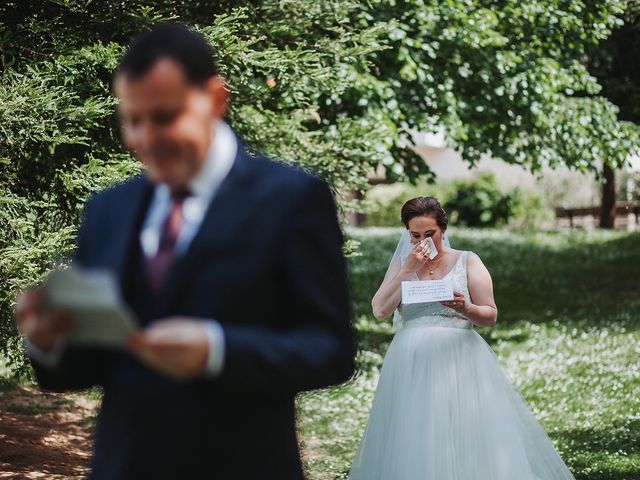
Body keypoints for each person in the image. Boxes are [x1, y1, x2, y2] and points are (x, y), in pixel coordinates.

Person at [15, 23, 354, 480]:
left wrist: (217, 350)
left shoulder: (292, 199)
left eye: (164, 117)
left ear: (215, 99)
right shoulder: (107, 209)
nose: (146, 138)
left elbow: (330, 350)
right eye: (132, 120)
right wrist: (48, 339)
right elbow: (81, 369)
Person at [349, 196, 576, 480]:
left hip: (460, 358)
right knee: (417, 433)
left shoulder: (467, 261)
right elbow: (380, 310)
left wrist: (465, 308)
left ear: (443, 229)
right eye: (414, 235)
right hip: (412, 362)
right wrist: (407, 270)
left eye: (429, 234)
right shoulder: (403, 265)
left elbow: (490, 315)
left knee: (464, 432)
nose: (422, 242)